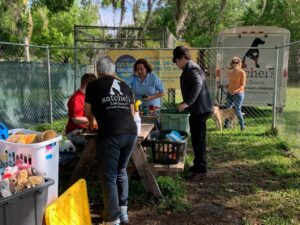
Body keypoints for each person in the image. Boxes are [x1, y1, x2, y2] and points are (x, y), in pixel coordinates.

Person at [84, 56, 137, 225]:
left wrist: (92, 123)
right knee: (121, 171)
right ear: (112, 71)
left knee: (109, 176)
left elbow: (87, 111)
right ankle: (123, 213)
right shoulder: (125, 85)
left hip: (111, 134)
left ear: (98, 72)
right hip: (131, 132)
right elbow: (133, 113)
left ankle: (112, 219)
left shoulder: (93, 85)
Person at [172, 46, 213, 181]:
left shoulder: (191, 67)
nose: (177, 64)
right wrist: (184, 102)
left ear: (183, 57)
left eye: (177, 60)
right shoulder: (189, 67)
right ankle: (197, 165)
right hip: (198, 109)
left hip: (200, 110)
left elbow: (197, 84)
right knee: (196, 139)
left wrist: (187, 103)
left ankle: (201, 170)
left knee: (199, 140)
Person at [65, 73, 96, 144]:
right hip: (74, 131)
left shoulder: (88, 96)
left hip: (85, 129)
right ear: (89, 85)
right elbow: (76, 120)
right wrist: (94, 120)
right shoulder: (77, 98)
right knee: (94, 143)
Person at [224, 56, 246, 131]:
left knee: (237, 109)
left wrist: (235, 91)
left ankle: (242, 126)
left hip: (239, 94)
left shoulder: (242, 72)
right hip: (230, 93)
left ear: (239, 63)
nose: (234, 64)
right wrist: (224, 86)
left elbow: (242, 85)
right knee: (228, 109)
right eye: (233, 63)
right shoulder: (230, 72)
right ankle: (226, 125)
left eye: (236, 63)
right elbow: (231, 84)